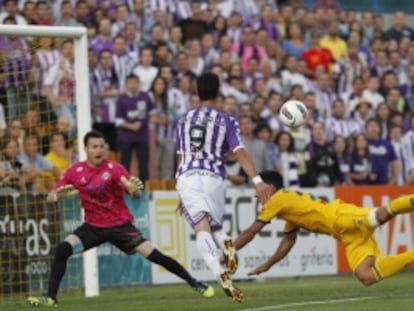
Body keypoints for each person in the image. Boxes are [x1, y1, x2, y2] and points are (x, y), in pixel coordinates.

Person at [27, 130, 214, 307]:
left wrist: (135, 191)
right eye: (94, 147)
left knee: (155, 255)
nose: (99, 150)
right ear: (85, 150)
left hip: (120, 227)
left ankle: (194, 282)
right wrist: (58, 195)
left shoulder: (114, 169)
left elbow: (135, 193)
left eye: (101, 146)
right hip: (92, 227)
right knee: (62, 250)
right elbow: (50, 196)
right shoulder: (74, 171)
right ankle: (51, 298)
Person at [175, 73, 272, 303]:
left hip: (188, 175)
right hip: (215, 177)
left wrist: (182, 193)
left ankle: (217, 272)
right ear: (218, 93)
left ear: (196, 93)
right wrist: (257, 182)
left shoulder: (183, 120)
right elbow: (239, 152)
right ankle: (226, 240)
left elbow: (181, 158)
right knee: (215, 226)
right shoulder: (226, 120)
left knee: (201, 227)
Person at [232, 170, 414, 287]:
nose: (255, 193)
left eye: (257, 188)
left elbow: (251, 231)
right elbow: (288, 241)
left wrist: (229, 250)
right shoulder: (289, 209)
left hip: (339, 216)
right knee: (366, 276)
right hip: (345, 235)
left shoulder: (277, 199)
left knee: (379, 216)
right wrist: (267, 265)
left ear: (269, 188)